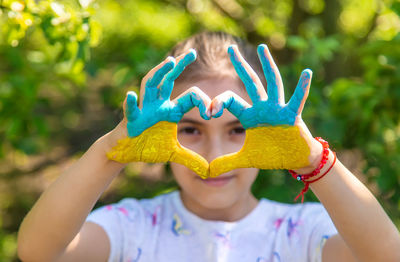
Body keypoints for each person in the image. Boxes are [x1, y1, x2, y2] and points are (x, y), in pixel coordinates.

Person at [17, 31, 400, 262]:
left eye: (237, 130)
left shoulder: (304, 230)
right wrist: (110, 151)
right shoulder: (130, 227)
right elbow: (39, 252)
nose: (213, 155)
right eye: (190, 130)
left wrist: (313, 159)